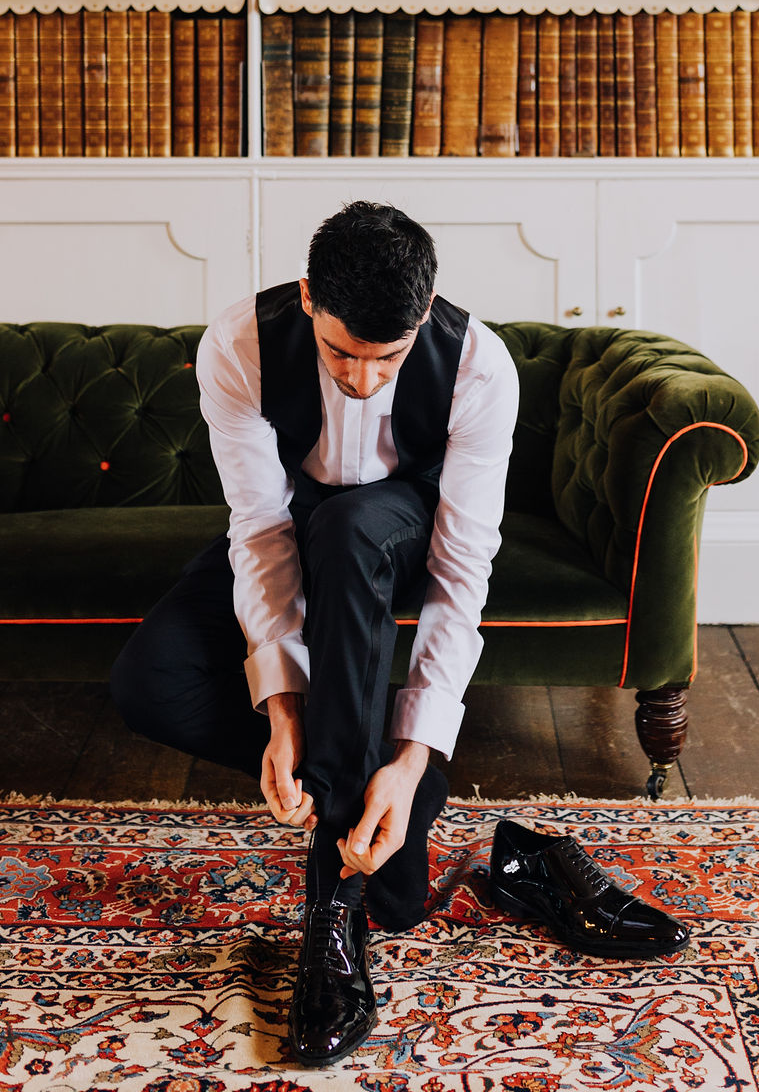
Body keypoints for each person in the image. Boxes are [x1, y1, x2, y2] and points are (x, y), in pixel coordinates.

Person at [111, 199, 688, 1069]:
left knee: (354, 536)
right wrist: (282, 712)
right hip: (297, 522)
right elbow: (260, 528)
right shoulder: (239, 346)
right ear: (309, 298)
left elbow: (462, 571)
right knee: (149, 683)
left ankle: (333, 913)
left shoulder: (479, 368)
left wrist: (413, 754)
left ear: (422, 317)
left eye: (390, 355)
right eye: (344, 352)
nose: (366, 378)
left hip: (404, 523)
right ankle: (504, 860)